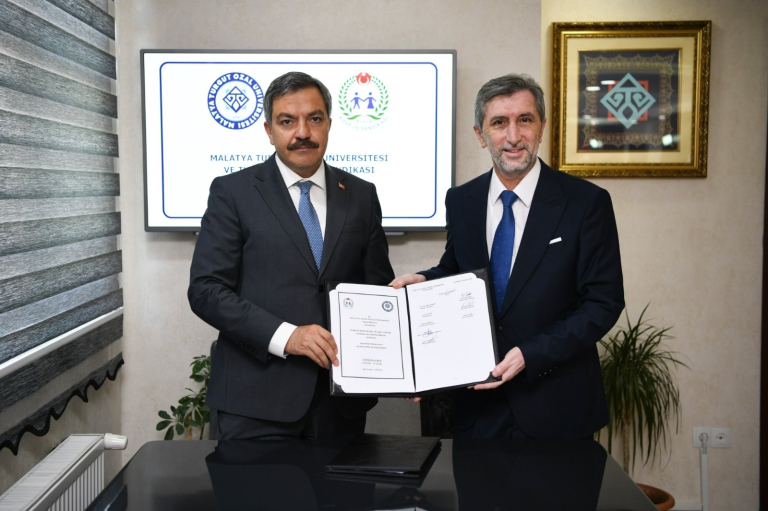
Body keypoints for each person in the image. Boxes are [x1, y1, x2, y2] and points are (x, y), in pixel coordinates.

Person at [391, 74, 624, 440]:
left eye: (525, 120)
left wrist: (531, 354)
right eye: (499, 122)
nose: (514, 136)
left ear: (542, 127)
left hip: (556, 407)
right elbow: (458, 269)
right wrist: (425, 280)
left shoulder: (586, 202)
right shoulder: (462, 200)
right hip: (475, 406)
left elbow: (603, 302)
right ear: (480, 134)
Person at [189, 71, 394, 440]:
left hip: (340, 405)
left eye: (314, 119)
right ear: (269, 131)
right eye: (287, 121)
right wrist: (288, 336)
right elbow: (206, 290)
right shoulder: (233, 192)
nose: (303, 132)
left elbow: (376, 289)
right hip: (254, 404)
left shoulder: (361, 195)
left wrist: (402, 359)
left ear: (328, 124)